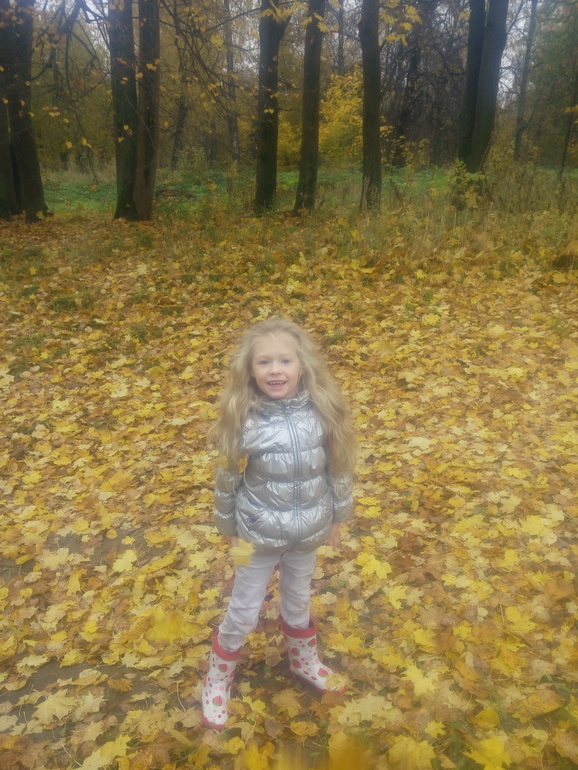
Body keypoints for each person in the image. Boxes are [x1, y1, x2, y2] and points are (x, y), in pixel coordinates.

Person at [201, 317, 356, 729]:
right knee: (244, 609)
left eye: (285, 361)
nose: (275, 370)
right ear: (250, 370)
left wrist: (337, 518)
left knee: (299, 599)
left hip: (307, 534)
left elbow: (338, 468)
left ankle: (303, 660)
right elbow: (226, 480)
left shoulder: (322, 413)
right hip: (252, 536)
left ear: (302, 365)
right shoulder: (244, 418)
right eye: (264, 362)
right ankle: (218, 676)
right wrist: (229, 531)